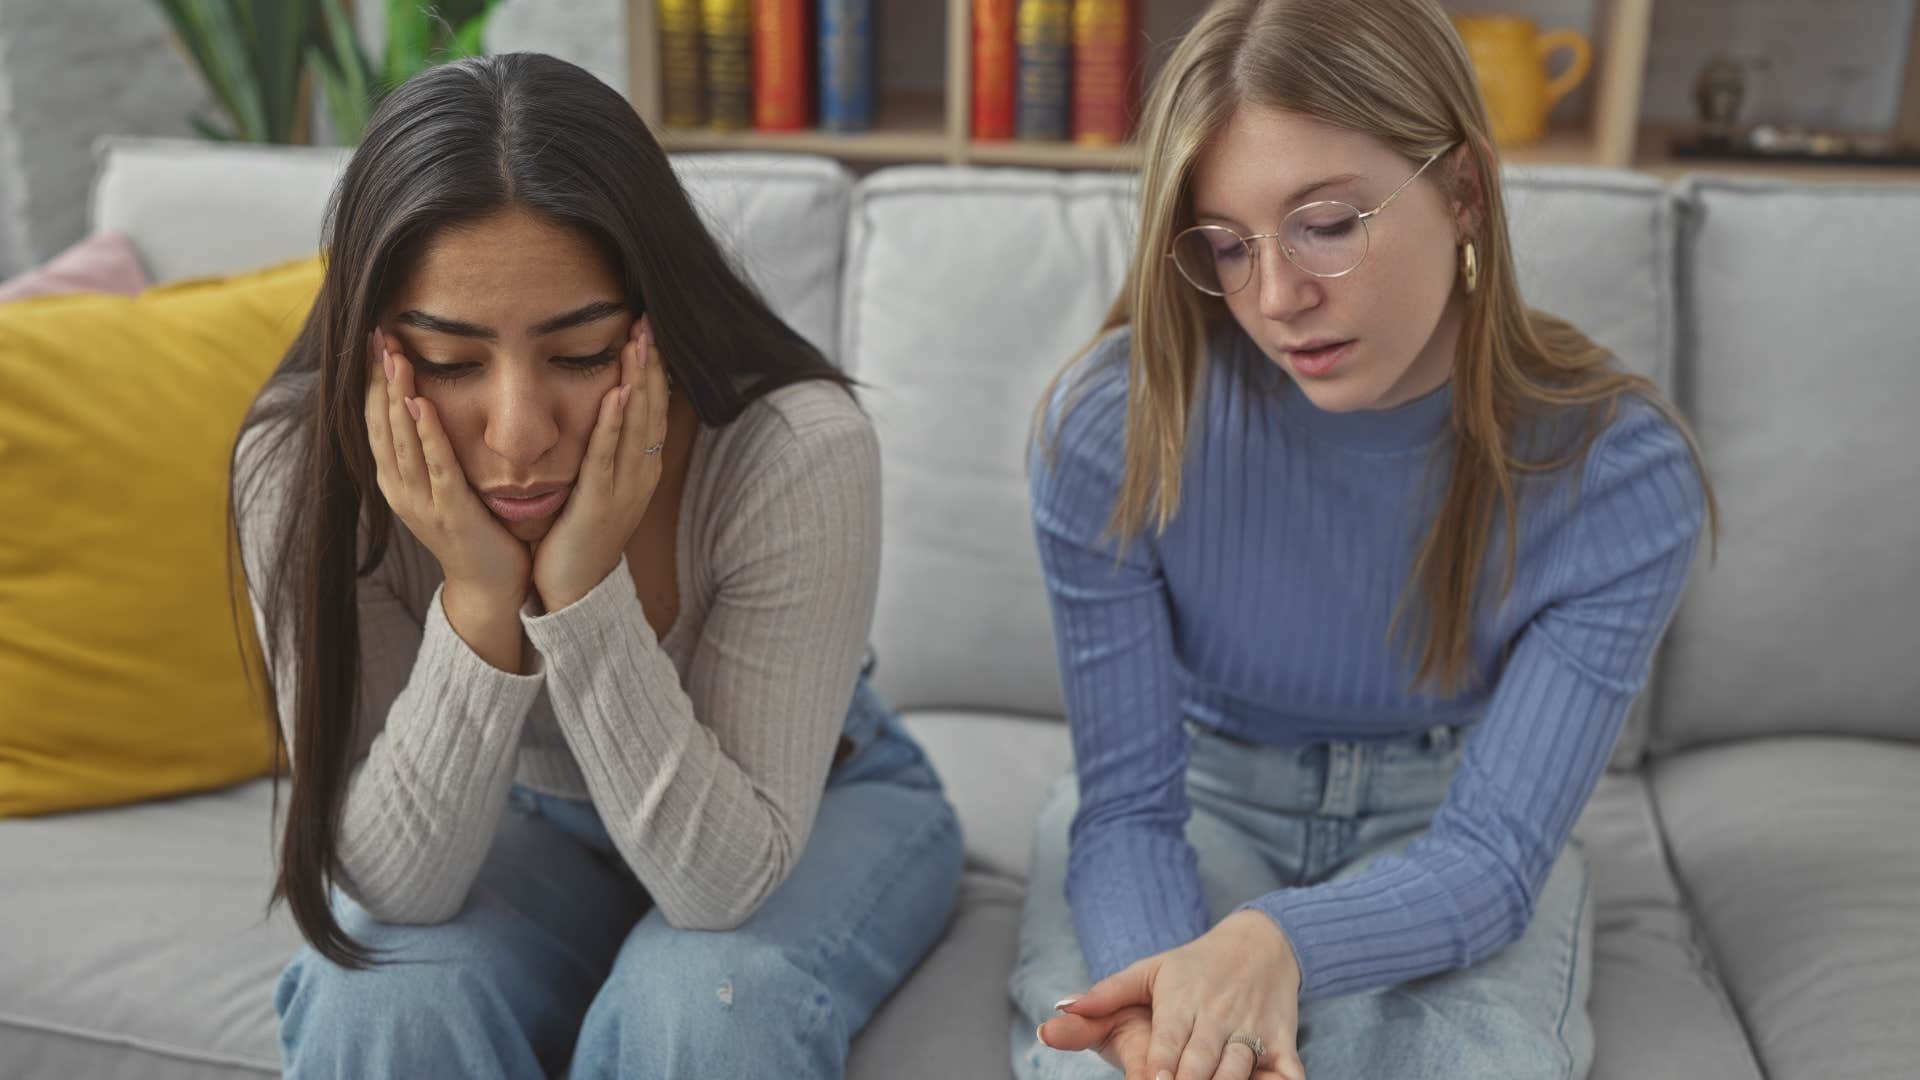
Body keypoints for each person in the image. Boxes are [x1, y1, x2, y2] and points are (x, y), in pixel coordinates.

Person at [1012, 1, 1716, 1077]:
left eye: (1328, 225)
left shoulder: (1619, 478)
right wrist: (1168, 1007)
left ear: (1464, 189)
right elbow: (1127, 810)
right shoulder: (1114, 433)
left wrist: (1278, 940)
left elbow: (1490, 854)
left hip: (1449, 825)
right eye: (1228, 247)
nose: (1279, 298)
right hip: (1199, 802)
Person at [229, 52, 962, 1079]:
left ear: (653, 318)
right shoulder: (297, 469)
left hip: (820, 800)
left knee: (705, 1004)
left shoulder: (796, 449)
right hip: (526, 814)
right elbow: (396, 889)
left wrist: (579, 592)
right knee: (379, 996)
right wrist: (482, 598)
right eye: (448, 361)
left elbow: (718, 890)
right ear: (373, 341)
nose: (521, 434)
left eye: (580, 353)